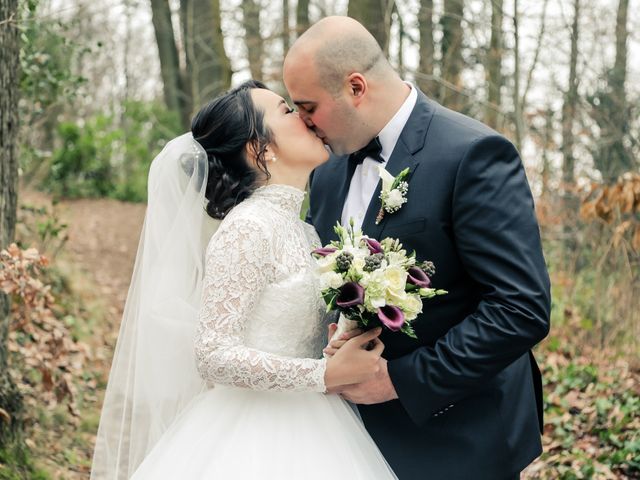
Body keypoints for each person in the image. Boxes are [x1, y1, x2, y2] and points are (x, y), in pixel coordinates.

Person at [283, 16, 551, 480]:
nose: (304, 124)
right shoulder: (324, 173)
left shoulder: (475, 154)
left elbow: (520, 308)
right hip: (348, 441)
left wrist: (397, 381)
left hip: (459, 435)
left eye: (308, 108)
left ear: (355, 87)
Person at [90, 80, 398, 479]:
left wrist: (339, 340)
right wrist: (322, 375)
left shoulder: (304, 231)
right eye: (286, 111)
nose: (304, 118)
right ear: (261, 149)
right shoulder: (248, 228)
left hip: (316, 424)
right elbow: (212, 353)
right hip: (252, 435)